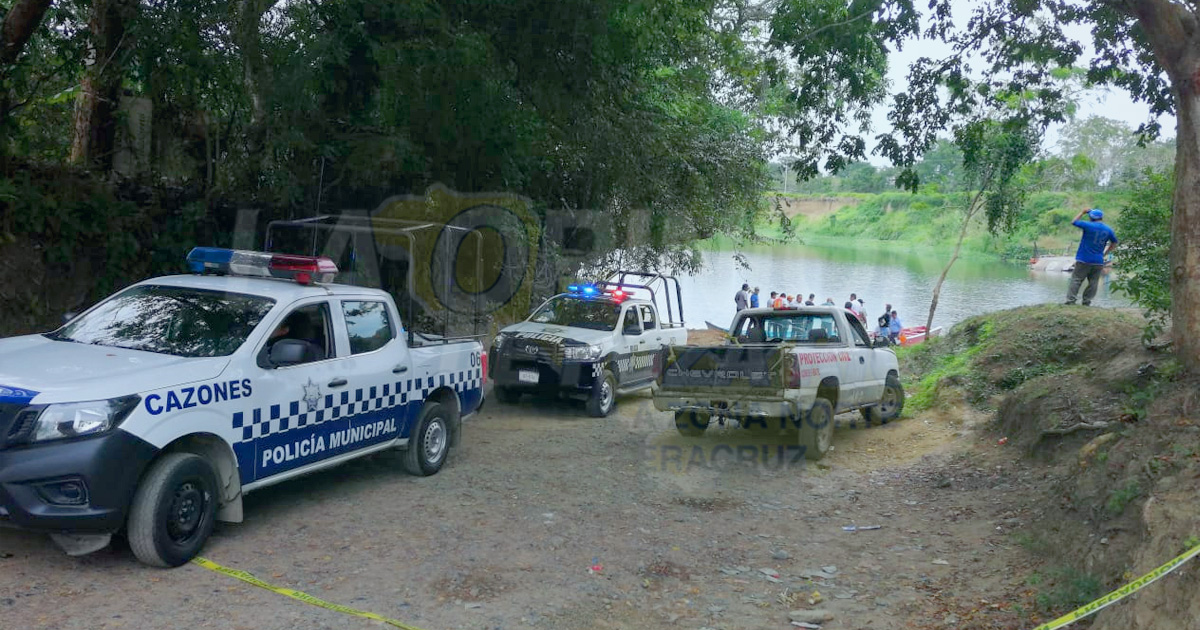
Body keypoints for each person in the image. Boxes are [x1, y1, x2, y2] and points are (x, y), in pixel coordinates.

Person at [1065, 208, 1119, 306]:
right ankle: (1086, 302)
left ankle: (1071, 301)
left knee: (1076, 279)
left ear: (1090, 217)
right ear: (1101, 218)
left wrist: (1082, 212)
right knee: (1093, 282)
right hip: (1098, 260)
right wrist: (1105, 253)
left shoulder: (1088, 225)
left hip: (1083, 259)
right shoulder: (1108, 229)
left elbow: (1074, 222)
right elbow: (1114, 242)